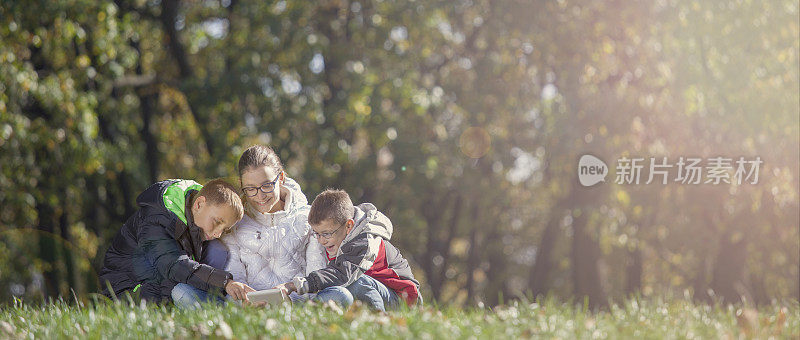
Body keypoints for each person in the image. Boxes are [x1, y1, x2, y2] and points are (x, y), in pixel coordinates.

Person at [98, 178, 256, 307]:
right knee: (182, 291)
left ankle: (234, 307)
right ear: (199, 204)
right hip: (128, 293)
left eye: (225, 229)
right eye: (216, 222)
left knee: (218, 252)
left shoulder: (196, 221)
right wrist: (225, 282)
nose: (217, 233)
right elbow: (173, 265)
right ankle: (227, 313)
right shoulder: (156, 219)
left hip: (162, 283)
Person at [277, 189, 421, 312]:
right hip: (374, 291)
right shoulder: (337, 237)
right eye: (317, 233)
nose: (321, 240)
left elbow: (342, 273)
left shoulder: (365, 242)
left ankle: (379, 322)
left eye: (326, 234)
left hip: (401, 299)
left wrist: (295, 285)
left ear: (349, 226)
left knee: (357, 282)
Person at [220, 145, 327, 302]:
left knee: (340, 294)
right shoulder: (234, 222)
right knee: (183, 292)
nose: (260, 196)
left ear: (281, 178)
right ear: (242, 184)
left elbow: (316, 274)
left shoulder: (308, 217)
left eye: (267, 185)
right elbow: (235, 275)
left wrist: (295, 301)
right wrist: (244, 302)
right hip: (252, 306)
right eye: (250, 189)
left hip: (301, 302)